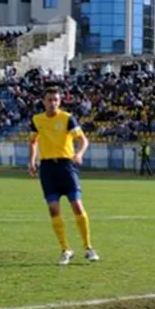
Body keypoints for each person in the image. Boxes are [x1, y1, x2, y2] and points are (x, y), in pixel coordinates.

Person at [29, 87, 99, 265]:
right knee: (53, 209)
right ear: (43, 102)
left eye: (55, 100)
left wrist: (80, 153)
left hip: (66, 166)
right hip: (47, 168)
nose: (52, 103)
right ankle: (65, 249)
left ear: (59, 102)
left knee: (76, 205)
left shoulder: (67, 118)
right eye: (49, 99)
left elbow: (83, 140)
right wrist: (32, 161)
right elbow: (33, 141)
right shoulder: (37, 120)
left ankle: (88, 247)